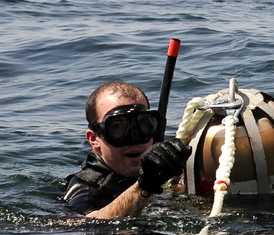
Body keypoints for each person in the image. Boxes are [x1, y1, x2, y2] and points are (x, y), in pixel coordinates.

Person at [62, 81, 190, 219]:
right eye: (117, 127)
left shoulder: (162, 165)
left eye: (143, 124)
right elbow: (87, 221)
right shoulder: (86, 189)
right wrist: (145, 186)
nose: (134, 138)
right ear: (94, 139)